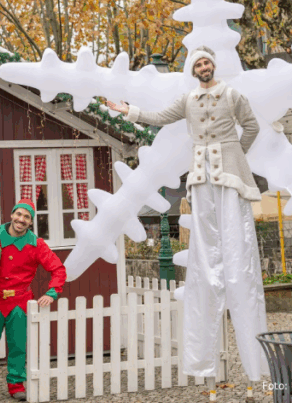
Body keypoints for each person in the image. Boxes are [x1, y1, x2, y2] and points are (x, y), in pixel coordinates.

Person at [106, 45, 269, 388]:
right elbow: (160, 117)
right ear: (193, 69)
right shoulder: (189, 100)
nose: (203, 67)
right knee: (206, 249)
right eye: (198, 63)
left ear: (213, 65)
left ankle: (256, 366)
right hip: (200, 177)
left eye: (207, 61)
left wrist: (236, 153)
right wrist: (129, 111)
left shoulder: (232, 94)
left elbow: (251, 126)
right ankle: (204, 362)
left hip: (228, 172)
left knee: (235, 242)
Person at [0, 199, 66, 401]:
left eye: (27, 217)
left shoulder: (36, 244)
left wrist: (52, 292)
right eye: (19, 214)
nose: (21, 219)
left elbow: (58, 269)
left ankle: (16, 383)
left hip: (19, 302)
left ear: (30, 222)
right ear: (11, 215)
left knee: (18, 344)